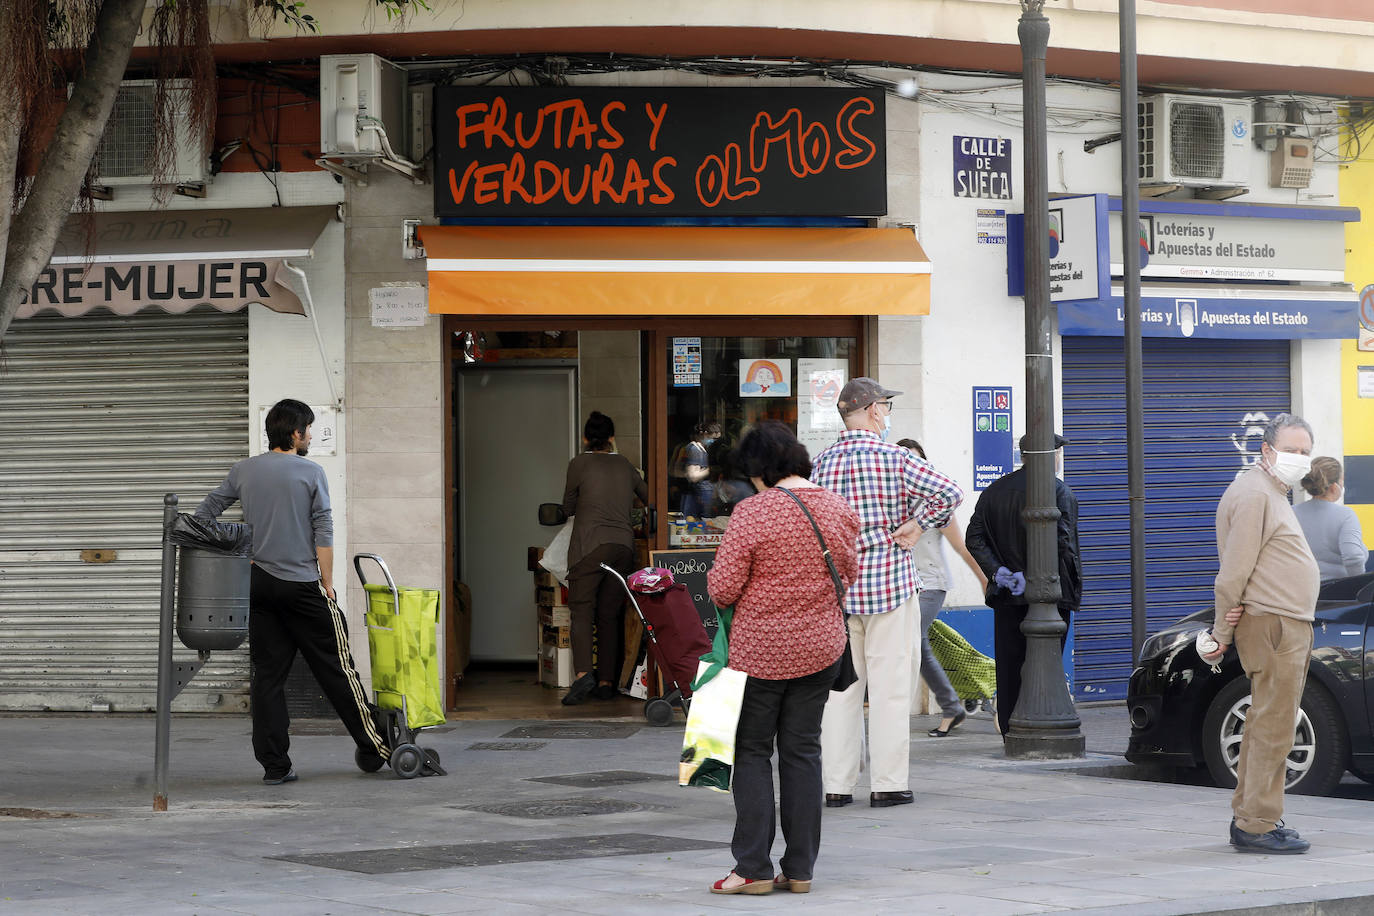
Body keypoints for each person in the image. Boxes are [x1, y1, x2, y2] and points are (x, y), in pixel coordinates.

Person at [195, 399, 389, 784]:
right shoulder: (311, 472)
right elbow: (323, 531)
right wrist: (328, 585)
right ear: (295, 433)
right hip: (302, 585)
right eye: (309, 430)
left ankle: (275, 767)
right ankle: (375, 746)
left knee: (268, 677)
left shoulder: (243, 470)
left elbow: (204, 516)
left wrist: (242, 553)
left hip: (259, 585)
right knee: (337, 670)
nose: (311, 436)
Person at [705, 421, 859, 895]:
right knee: (803, 752)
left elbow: (723, 587)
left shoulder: (752, 512)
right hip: (821, 647)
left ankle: (751, 868)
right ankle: (800, 870)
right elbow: (848, 574)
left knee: (751, 752)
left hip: (759, 653)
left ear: (759, 470)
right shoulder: (837, 507)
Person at [811, 378, 964, 809]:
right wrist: (916, 524)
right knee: (891, 690)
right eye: (885, 405)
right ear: (875, 411)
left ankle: (836, 786)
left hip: (839, 593)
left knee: (840, 694)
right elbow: (950, 492)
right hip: (891, 587)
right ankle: (887, 784)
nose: (887, 412)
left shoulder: (822, 463)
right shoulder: (894, 458)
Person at [1200, 413, 1320, 855]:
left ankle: (1253, 816)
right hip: (1274, 622)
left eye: (1305, 451)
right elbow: (1232, 573)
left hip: (1280, 620)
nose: (1299, 459)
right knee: (1273, 726)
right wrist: (1220, 632)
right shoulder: (1255, 495)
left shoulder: (1270, 493)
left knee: (1266, 724)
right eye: (1291, 450)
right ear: (1267, 450)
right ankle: (1257, 824)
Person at [964, 433, 1081, 739]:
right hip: (1049, 597)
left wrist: (999, 571)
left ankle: (1010, 730)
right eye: (1058, 453)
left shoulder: (995, 490)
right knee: (1045, 664)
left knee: (1010, 664)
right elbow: (1064, 544)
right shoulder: (1059, 491)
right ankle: (1040, 728)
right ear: (1048, 455)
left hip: (1008, 596)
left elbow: (974, 538)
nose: (1059, 459)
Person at [897, 439, 989, 737]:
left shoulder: (935, 507)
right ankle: (954, 704)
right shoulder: (894, 504)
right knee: (919, 645)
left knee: (913, 639)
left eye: (917, 461)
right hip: (902, 585)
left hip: (931, 585)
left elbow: (962, 549)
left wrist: (984, 579)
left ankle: (952, 706)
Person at [559, 411, 648, 705]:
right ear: (612, 438)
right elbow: (649, 496)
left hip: (589, 547)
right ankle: (608, 681)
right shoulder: (624, 464)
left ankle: (584, 675)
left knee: (582, 610)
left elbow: (568, 506)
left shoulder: (579, 463)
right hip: (623, 547)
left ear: (585, 438)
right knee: (609, 614)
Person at [1293, 457, 1366, 581]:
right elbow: (1353, 557)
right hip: (1335, 593)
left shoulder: (1291, 512)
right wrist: (1357, 585)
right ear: (1333, 486)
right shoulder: (1345, 515)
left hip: (1300, 590)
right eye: (1342, 480)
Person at [679, 421, 721, 520]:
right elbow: (692, 476)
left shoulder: (700, 449)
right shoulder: (694, 449)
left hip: (700, 494)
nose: (714, 441)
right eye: (713, 438)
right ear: (705, 434)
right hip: (696, 495)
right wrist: (710, 470)